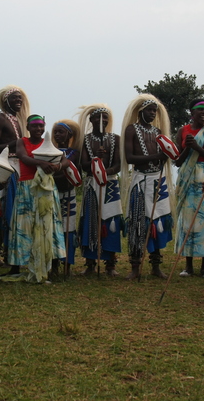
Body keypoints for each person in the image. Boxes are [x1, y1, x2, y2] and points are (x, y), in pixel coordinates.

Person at [2, 115, 66, 283]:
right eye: (35, 126)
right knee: (23, 226)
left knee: (47, 225)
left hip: (45, 188)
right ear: (28, 127)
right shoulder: (22, 142)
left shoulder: (48, 143)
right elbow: (23, 157)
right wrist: (41, 164)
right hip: (27, 187)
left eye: (41, 126)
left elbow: (64, 159)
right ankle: (16, 266)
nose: (38, 129)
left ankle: (50, 265)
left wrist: (58, 166)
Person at [120, 95, 173, 280]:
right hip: (140, 181)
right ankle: (135, 266)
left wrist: (164, 158)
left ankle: (155, 266)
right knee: (138, 224)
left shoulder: (158, 132)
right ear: (141, 111)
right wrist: (156, 157)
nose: (152, 113)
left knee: (158, 222)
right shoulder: (131, 130)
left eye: (155, 111)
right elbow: (130, 158)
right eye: (149, 110)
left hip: (157, 181)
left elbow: (165, 154)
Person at [174, 99, 204, 278]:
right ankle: (188, 265)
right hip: (188, 177)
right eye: (200, 110)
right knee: (188, 220)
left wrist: (197, 148)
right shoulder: (183, 131)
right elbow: (177, 161)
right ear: (192, 113)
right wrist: (188, 148)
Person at [78, 104, 123, 277]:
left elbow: (118, 165)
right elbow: (83, 165)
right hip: (92, 185)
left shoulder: (115, 139)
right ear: (91, 120)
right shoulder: (85, 140)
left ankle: (110, 264)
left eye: (105, 117)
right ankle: (90, 263)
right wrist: (96, 161)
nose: (101, 120)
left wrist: (105, 172)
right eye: (97, 117)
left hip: (110, 184)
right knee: (90, 221)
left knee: (111, 223)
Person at [0, 86, 30, 265]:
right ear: (6, 101)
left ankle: (16, 250)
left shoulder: (20, 120)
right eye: (15, 98)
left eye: (20, 98)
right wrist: (17, 143)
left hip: (20, 167)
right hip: (7, 167)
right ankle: (2, 252)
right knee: (6, 210)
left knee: (18, 210)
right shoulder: (1, 119)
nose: (19, 101)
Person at [51, 119, 82, 276]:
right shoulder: (50, 152)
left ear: (69, 135)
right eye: (55, 132)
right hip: (53, 194)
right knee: (53, 229)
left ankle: (67, 265)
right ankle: (54, 265)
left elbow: (78, 175)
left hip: (69, 194)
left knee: (68, 230)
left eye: (61, 132)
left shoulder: (75, 153)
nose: (57, 134)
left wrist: (60, 173)